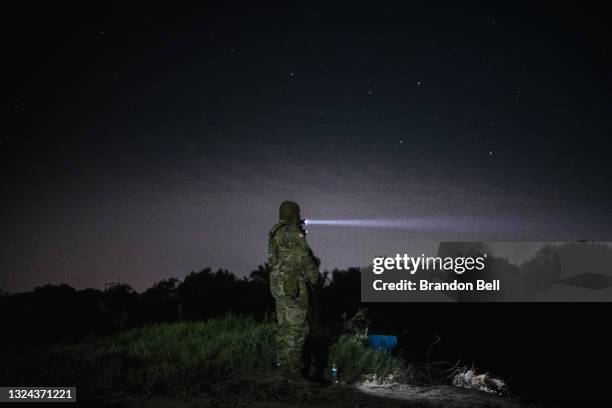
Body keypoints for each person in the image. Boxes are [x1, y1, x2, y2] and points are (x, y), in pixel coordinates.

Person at [268, 201, 319, 377]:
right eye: (298, 215)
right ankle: (293, 372)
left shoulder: (275, 232)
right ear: (294, 215)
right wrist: (314, 277)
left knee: (284, 326)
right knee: (297, 329)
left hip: (278, 284)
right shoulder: (292, 232)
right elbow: (304, 258)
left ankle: (281, 366)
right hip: (293, 284)